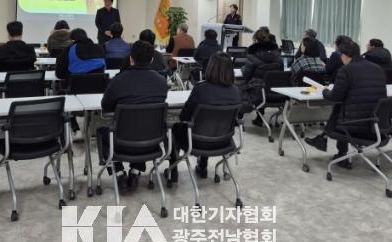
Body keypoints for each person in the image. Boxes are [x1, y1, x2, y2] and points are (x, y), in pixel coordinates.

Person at [97, 41, 168, 192]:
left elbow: (106, 107)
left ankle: (118, 173)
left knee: (102, 132)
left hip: (120, 143)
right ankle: (135, 171)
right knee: (144, 125)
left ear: (130, 58)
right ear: (152, 59)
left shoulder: (118, 81)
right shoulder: (162, 82)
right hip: (151, 143)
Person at [305, 41, 387, 167]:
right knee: (342, 106)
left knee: (340, 109)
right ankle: (324, 140)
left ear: (346, 55)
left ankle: (338, 151)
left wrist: (324, 91)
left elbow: (334, 97)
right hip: (378, 125)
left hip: (355, 126)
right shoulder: (378, 69)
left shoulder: (346, 70)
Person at [168, 52, 242, 181]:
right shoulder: (236, 91)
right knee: (209, 126)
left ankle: (173, 172)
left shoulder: (201, 89)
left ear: (210, 68)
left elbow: (184, 116)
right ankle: (202, 166)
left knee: (174, 128)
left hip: (196, 142)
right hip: (224, 142)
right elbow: (237, 117)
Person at [241, 28, 283, 125]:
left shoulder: (252, 54)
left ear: (255, 40)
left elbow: (246, 74)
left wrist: (244, 69)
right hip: (277, 92)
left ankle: (239, 117)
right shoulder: (277, 54)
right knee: (262, 84)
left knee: (240, 88)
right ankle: (259, 117)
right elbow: (280, 71)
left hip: (258, 92)